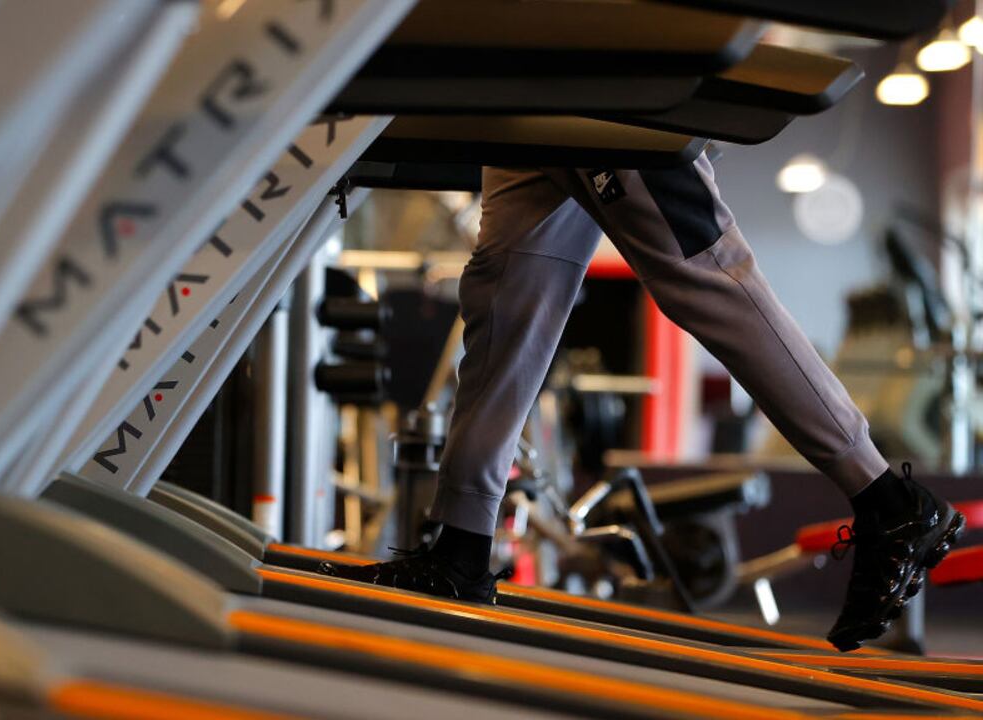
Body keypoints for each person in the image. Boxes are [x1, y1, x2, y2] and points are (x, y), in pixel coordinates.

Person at [321, 156, 965, 652]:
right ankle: (459, 547)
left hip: (593, 65)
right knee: (505, 296)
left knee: (704, 277)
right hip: (525, 81)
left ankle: (889, 501)